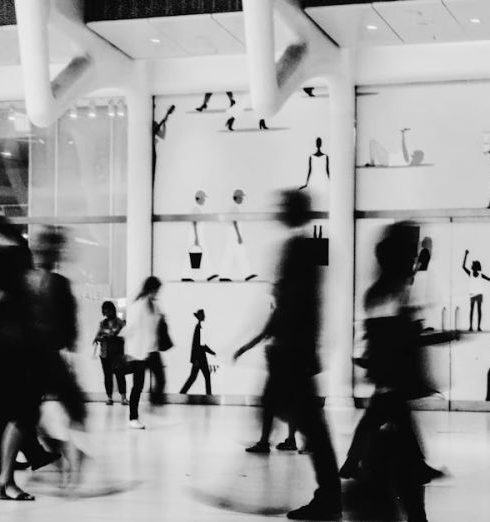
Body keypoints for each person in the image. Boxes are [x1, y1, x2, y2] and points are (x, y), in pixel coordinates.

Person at [246, 190, 341, 520]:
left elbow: (295, 305)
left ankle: (329, 495)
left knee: (310, 424)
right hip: (296, 351)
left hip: (293, 352)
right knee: (307, 421)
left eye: (284, 207)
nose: (279, 211)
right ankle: (329, 493)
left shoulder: (296, 250)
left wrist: (290, 346)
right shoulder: (302, 249)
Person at [340, 222, 432, 522]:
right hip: (392, 385)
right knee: (400, 458)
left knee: (385, 427)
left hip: (388, 385)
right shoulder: (394, 295)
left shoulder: (381, 293)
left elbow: (380, 341)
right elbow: (399, 342)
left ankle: (358, 463)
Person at [121, 276, 166, 429]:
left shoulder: (155, 306)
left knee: (160, 379)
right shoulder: (140, 305)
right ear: (151, 289)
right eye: (156, 290)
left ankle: (153, 406)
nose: (158, 293)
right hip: (140, 352)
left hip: (152, 351)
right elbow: (132, 328)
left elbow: (157, 324)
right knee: (137, 386)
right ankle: (133, 418)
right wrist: (121, 338)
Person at [93, 301, 128, 405]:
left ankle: (124, 398)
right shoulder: (102, 323)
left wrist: (115, 336)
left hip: (117, 354)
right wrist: (101, 337)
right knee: (107, 377)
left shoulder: (120, 322)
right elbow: (96, 337)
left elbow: (125, 336)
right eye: (105, 311)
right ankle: (109, 397)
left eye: (109, 311)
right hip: (105, 353)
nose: (107, 313)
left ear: (113, 310)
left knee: (120, 375)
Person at [180, 309, 216, 395]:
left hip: (199, 358)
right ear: (200, 317)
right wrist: (211, 352)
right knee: (204, 376)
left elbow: (198, 345)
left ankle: (182, 393)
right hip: (200, 358)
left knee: (194, 377)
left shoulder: (199, 328)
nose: (204, 316)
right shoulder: (198, 328)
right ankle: (208, 395)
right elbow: (199, 345)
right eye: (203, 315)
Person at [462, 249, 490, 331]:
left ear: (475, 267)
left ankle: (477, 326)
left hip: (478, 294)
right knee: (474, 310)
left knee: (477, 310)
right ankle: (472, 326)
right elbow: (463, 267)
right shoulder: (471, 274)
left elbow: (489, 279)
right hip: (473, 293)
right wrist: (465, 255)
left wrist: (466, 255)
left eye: (473, 265)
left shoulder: (479, 275)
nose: (472, 266)